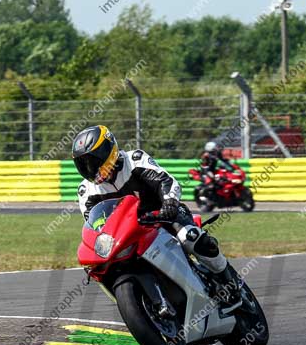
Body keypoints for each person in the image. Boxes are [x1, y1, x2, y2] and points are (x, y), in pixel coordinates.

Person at [73, 125, 240, 306]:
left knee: (190, 237)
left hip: (162, 216)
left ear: (109, 149)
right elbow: (94, 225)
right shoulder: (85, 192)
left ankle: (229, 281)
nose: (91, 168)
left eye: (94, 160)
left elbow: (165, 181)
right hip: (128, 234)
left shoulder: (135, 160)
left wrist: (169, 203)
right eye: (84, 164)